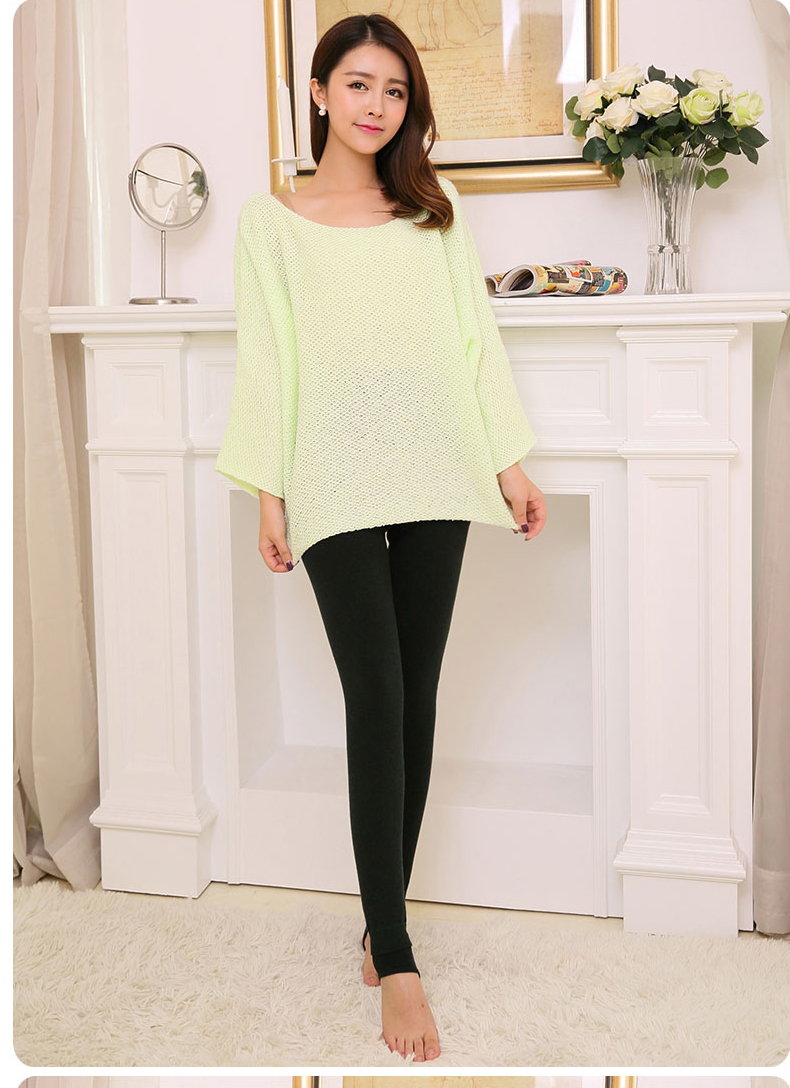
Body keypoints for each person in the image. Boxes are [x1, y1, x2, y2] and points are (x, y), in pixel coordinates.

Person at [216, 11, 547, 1063]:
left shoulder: (432, 211)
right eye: (357, 84)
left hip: (441, 461)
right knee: (374, 693)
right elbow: (268, 361)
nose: (376, 105)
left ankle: (378, 925)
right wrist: (269, 494)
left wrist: (507, 461)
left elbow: (473, 341)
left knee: (416, 695)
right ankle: (397, 956)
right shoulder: (270, 222)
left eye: (395, 90)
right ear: (317, 92)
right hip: (330, 472)